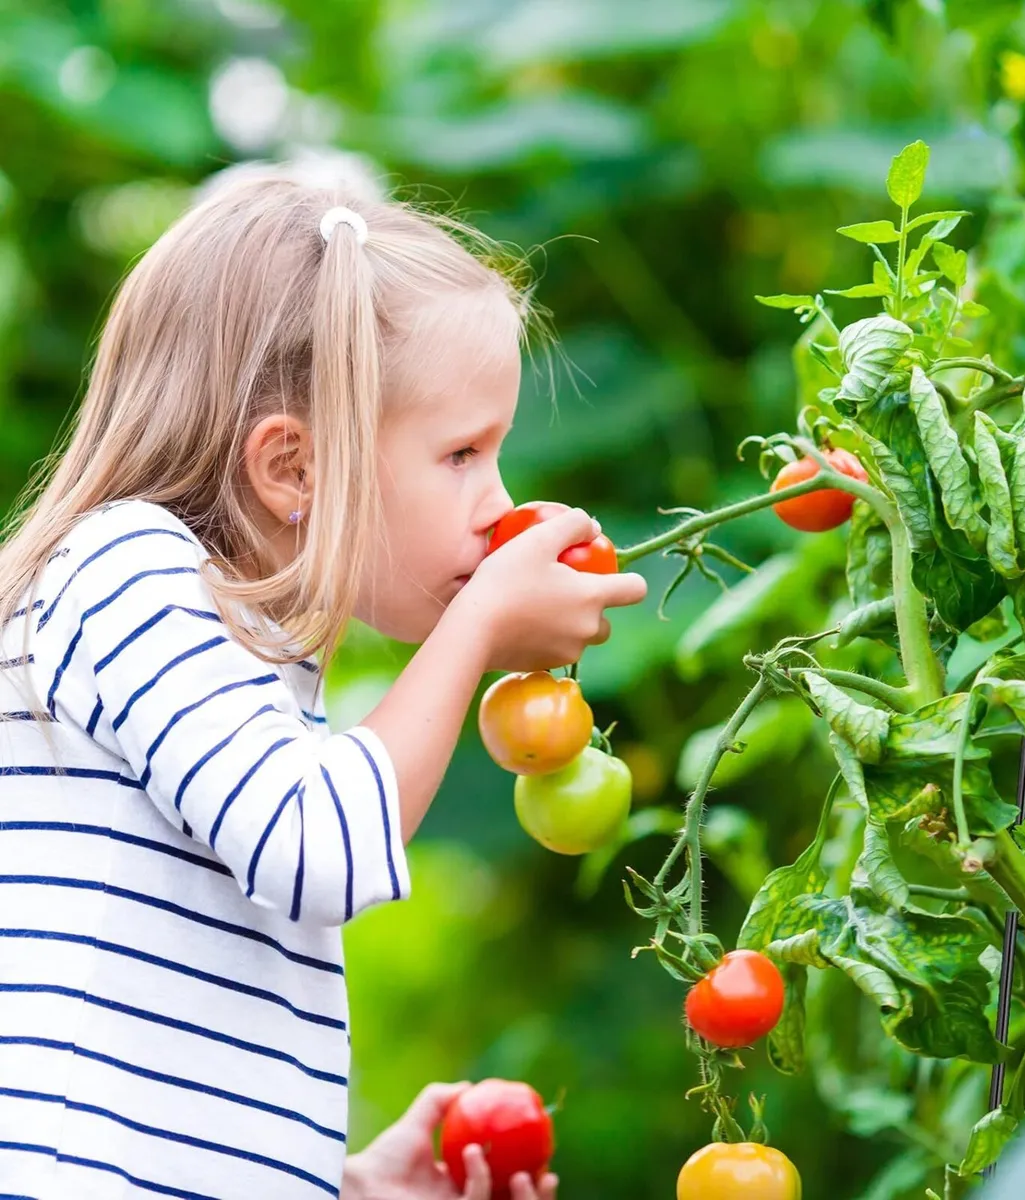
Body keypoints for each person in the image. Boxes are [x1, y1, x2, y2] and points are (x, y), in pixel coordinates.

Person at [0, 166, 648, 1199]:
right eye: (462, 454)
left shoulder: (237, 654)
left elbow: (174, 1062)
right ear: (292, 468)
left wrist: (341, 1186)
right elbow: (313, 849)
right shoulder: (127, 572)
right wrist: (477, 627)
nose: (500, 503)